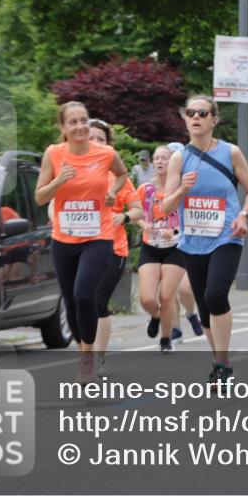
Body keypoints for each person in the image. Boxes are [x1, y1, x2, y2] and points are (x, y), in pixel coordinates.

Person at [163, 95, 248, 385]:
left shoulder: (230, 153)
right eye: (190, 112)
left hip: (226, 236)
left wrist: (244, 215)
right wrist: (181, 190)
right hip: (193, 240)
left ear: (214, 119)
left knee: (216, 295)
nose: (195, 117)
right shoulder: (179, 157)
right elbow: (165, 207)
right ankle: (220, 360)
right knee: (205, 306)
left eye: (202, 113)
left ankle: (221, 362)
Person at [35, 101, 130, 384]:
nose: (80, 127)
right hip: (64, 238)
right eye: (73, 122)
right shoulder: (53, 154)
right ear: (62, 127)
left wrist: (112, 192)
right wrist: (58, 182)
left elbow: (123, 175)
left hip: (98, 236)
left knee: (84, 294)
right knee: (71, 301)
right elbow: (40, 197)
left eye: (84, 120)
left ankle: (88, 358)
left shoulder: (105, 153)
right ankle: (83, 353)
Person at [86, 120, 142, 371]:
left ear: (108, 145)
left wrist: (125, 217)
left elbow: (138, 210)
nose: (96, 143)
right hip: (80, 246)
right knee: (80, 300)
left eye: (101, 139)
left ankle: (98, 358)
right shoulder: (73, 171)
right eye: (91, 138)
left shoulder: (118, 176)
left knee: (98, 301)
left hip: (112, 247)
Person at [137, 145, 192, 351]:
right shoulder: (145, 189)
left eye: (164, 158)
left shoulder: (181, 191)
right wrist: (145, 225)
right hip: (150, 246)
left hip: (174, 248)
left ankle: (165, 339)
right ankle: (157, 315)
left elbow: (188, 219)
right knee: (147, 299)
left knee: (167, 296)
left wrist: (176, 231)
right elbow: (137, 215)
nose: (159, 162)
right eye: (156, 158)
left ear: (173, 163)